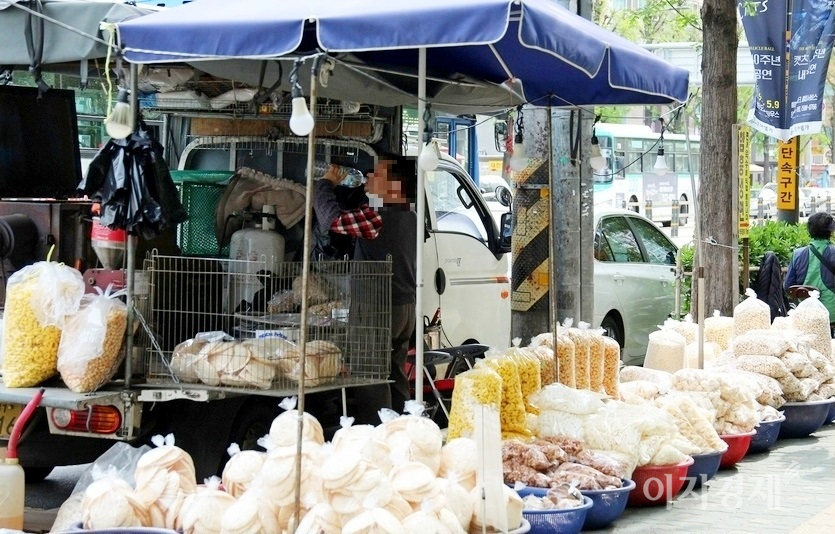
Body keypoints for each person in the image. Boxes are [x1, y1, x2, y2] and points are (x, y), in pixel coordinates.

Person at [313, 154, 418, 423]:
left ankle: (377, 436)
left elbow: (331, 221)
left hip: (377, 306)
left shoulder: (378, 217)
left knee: (370, 376)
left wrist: (325, 184)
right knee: (394, 374)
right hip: (404, 307)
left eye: (378, 174)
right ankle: (403, 430)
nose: (369, 177)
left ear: (395, 185)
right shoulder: (410, 214)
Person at [784, 212, 835, 330]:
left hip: (806, 313)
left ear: (809, 231)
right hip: (831, 315)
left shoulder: (798, 254)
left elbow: (789, 286)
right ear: (831, 232)